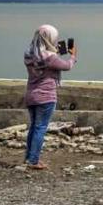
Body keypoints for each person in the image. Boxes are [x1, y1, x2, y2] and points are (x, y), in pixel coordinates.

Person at [22, 24, 76, 170]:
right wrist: (73, 56)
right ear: (48, 39)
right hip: (46, 97)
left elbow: (45, 56)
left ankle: (28, 157)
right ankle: (33, 161)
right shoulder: (50, 57)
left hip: (31, 95)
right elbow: (66, 66)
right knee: (40, 128)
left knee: (34, 127)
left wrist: (55, 50)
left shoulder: (29, 54)